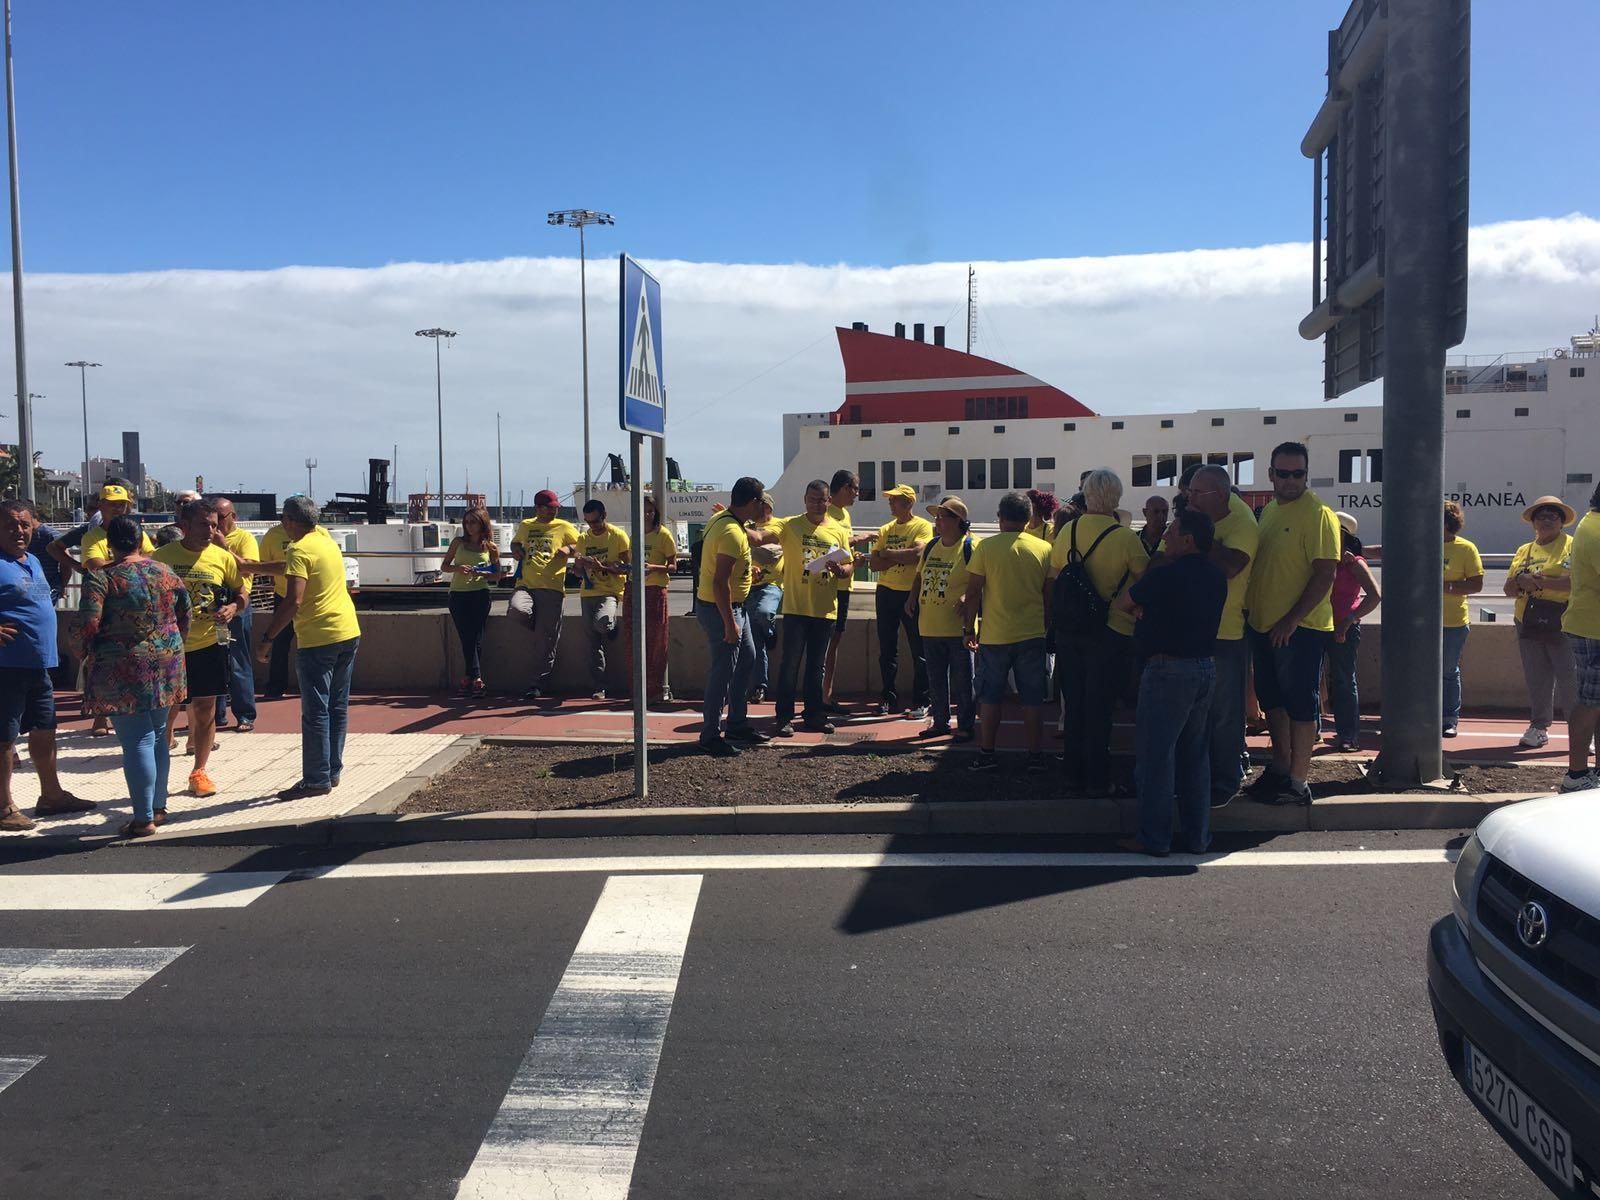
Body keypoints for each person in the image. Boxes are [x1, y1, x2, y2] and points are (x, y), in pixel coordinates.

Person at [1114, 508, 1227, 856]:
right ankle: (1198, 837)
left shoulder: (1164, 575)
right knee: (1195, 757)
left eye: (1172, 531)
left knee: (1156, 757)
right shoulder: (1217, 576)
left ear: (1188, 540)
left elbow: (1123, 603)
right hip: (1205, 667)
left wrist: (1142, 611)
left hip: (1167, 669)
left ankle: (1154, 837)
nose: (1165, 536)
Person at [1239, 442, 1340, 806]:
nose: (1291, 480)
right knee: (1273, 701)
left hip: (1300, 629)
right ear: (1271, 475)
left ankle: (1298, 782)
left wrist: (1292, 619)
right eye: (1284, 473)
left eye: (1299, 473)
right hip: (1263, 625)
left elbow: (1325, 573)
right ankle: (1280, 768)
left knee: (1300, 704)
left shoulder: (1318, 514)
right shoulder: (1268, 513)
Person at [79, 515, 190, 837]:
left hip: (123, 666)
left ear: (109, 544)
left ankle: (143, 818)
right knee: (157, 734)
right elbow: (185, 614)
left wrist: (82, 651)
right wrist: (172, 645)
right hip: (167, 660)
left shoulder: (102, 577)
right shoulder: (165, 571)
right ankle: (159, 806)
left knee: (137, 739)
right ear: (142, 540)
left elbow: (88, 624)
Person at [1049, 468, 1148, 796]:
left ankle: (1071, 774)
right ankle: (1097, 778)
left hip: (1071, 630)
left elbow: (1055, 576)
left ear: (1087, 495)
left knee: (1074, 704)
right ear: (1116, 498)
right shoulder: (1126, 538)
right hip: (1111, 630)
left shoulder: (1068, 531)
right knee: (1100, 707)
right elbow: (1146, 581)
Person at [254, 495, 361, 798]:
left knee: (316, 711)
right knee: (337, 706)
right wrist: (251, 567)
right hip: (347, 630)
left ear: (288, 521)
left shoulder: (299, 549)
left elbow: (293, 600)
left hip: (318, 637)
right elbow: (291, 568)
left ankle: (316, 779)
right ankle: (332, 771)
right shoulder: (325, 540)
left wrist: (268, 638)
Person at [0, 499, 96, 831]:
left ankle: (51, 795)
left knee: (45, 729)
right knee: (4, 738)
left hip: (39, 665)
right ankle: (4, 806)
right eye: (10, 524)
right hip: (6, 666)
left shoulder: (33, 561)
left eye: (25, 524)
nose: (19, 531)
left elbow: (42, 602)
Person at [153, 498, 245, 799]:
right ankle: (158, 773)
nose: (210, 531)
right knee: (164, 712)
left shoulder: (222, 557)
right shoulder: (162, 556)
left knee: (205, 709)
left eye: (215, 526)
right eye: (204, 525)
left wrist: (233, 607)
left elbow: (242, 592)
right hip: (169, 647)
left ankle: (199, 771)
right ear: (184, 525)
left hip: (208, 643)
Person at [1182, 465, 1263, 804]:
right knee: (1198, 711)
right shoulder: (1205, 513)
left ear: (1220, 495)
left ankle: (1226, 782)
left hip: (1227, 631)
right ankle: (1209, 772)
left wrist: (1200, 534)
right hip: (1197, 625)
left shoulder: (1242, 522)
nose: (1190, 498)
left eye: (1196, 493)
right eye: (1189, 491)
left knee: (1225, 712)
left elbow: (1231, 567)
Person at [959, 490, 1052, 773]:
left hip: (995, 635)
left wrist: (969, 629)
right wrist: (1045, 625)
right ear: (1028, 518)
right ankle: (1035, 755)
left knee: (990, 696)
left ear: (1000, 517)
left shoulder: (986, 548)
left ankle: (987, 752)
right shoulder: (1043, 549)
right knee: (1032, 699)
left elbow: (973, 593)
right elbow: (1049, 595)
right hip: (1032, 633)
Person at [764, 480, 853, 736]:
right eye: (812, 499)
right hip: (796, 609)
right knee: (790, 665)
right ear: (804, 500)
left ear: (829, 501)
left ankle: (814, 715)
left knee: (817, 666)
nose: (817, 504)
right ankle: (784, 717)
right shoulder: (790, 525)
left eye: (822, 500)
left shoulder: (837, 530)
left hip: (825, 611)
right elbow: (761, 536)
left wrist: (840, 570)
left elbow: (848, 566)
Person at [694, 475, 766, 755]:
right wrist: (729, 624)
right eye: (761, 501)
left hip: (735, 607)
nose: (763, 506)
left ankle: (737, 724)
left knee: (747, 659)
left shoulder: (725, 520)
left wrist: (747, 573)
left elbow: (726, 570)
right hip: (722, 609)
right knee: (722, 672)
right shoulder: (732, 533)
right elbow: (719, 581)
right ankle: (710, 735)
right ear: (752, 502)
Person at [1506, 496, 1577, 749]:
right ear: (1533, 522)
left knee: (1570, 677)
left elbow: (1575, 583)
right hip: (1529, 620)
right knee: (1537, 677)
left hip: (1564, 621)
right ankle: (1538, 727)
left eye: (1553, 516)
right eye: (1541, 516)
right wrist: (1519, 581)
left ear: (1562, 522)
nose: (1546, 520)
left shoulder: (1572, 547)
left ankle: (1581, 730)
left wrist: (1538, 582)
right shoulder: (1524, 550)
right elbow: (1508, 588)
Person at [908, 495, 979, 741]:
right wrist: (912, 597)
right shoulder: (931, 546)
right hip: (930, 625)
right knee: (936, 679)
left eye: (942, 517)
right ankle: (940, 722)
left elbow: (981, 581)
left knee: (964, 681)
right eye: (936, 517)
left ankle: (966, 725)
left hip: (958, 629)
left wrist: (966, 598)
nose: (936, 522)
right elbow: (919, 575)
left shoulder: (971, 547)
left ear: (958, 520)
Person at [868, 484, 932, 717]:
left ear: (908, 503)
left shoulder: (922, 526)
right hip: (885, 591)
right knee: (887, 650)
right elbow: (874, 564)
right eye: (890, 500)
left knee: (919, 649)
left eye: (894, 500)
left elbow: (918, 555)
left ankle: (922, 699)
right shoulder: (886, 528)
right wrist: (900, 556)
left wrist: (887, 554)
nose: (890, 503)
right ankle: (888, 697)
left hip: (910, 593)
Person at [510, 490, 579, 700]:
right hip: (526, 584)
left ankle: (537, 684)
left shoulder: (564, 526)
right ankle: (538, 624)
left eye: (555, 508)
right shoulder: (526, 525)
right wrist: (515, 548)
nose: (553, 511)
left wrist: (569, 549)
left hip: (552, 587)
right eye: (549, 508)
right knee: (517, 610)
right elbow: (516, 541)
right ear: (538, 508)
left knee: (546, 641)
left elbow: (582, 544)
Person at [1324, 512, 1382, 752]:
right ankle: (1313, 731)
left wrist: (1348, 621)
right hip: (1317, 624)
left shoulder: (1355, 563)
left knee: (1343, 680)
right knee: (1311, 679)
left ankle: (1349, 735)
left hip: (1343, 629)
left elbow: (1374, 596)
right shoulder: (1321, 558)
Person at [819, 469, 875, 715]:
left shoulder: (845, 514)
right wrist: (861, 538)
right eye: (855, 489)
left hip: (844, 584)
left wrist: (853, 555)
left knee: (834, 641)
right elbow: (830, 542)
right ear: (844, 488)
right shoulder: (826, 512)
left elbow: (842, 545)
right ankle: (820, 696)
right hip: (828, 586)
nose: (857, 494)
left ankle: (826, 695)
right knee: (824, 643)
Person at [1561, 481, 1600, 792]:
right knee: (1590, 701)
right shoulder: (1597, 530)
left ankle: (1589, 773)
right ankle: (1575, 775)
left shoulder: (1591, 521)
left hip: (1588, 624)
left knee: (1595, 702)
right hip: (1594, 628)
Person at [210, 498, 260, 732]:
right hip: (213, 605)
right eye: (212, 518)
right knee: (213, 660)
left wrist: (224, 548)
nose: (216, 523)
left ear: (233, 517)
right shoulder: (205, 539)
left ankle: (245, 715)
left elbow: (248, 566)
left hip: (237, 603)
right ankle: (214, 715)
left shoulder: (244, 539)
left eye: (221, 518)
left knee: (238, 660)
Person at [574, 499, 630, 702]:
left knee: (602, 622)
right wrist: (579, 565)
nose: (593, 526)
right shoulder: (583, 538)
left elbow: (627, 567)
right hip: (588, 592)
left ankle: (611, 625)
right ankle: (600, 685)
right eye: (588, 522)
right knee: (593, 643)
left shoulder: (618, 536)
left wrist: (603, 567)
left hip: (610, 591)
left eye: (596, 522)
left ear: (604, 516)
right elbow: (577, 572)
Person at [442, 505, 500, 697]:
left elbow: (496, 574)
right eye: (466, 522)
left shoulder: (491, 547)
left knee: (477, 637)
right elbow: (444, 566)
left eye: (473, 522)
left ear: (482, 524)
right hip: (458, 594)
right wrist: (458, 569)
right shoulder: (458, 542)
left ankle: (470, 677)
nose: (469, 526)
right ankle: (476, 678)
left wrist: (481, 572)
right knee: (466, 636)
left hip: (480, 594)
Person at [626, 493, 677, 706]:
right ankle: (637, 688)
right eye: (643, 511)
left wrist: (653, 567)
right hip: (633, 588)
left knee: (656, 641)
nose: (647, 515)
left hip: (655, 589)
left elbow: (673, 566)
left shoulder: (663, 534)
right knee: (633, 639)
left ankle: (654, 689)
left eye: (650, 511)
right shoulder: (635, 534)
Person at [1441, 500, 1484, 738]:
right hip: (1420, 623)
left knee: (1448, 670)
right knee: (1419, 671)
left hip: (1453, 621)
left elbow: (1476, 584)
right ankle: (1424, 715)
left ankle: (1449, 718)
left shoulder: (1466, 549)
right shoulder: (1421, 544)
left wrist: (1445, 587)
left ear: (1449, 523)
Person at [743, 493, 783, 704]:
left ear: (767, 507)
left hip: (771, 585)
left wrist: (751, 545)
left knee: (764, 613)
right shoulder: (746, 526)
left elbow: (772, 554)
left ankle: (770, 631)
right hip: (748, 587)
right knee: (754, 640)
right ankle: (760, 685)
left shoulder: (779, 526)